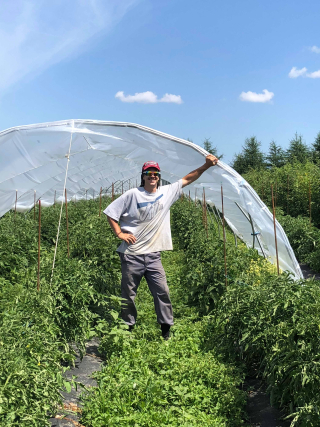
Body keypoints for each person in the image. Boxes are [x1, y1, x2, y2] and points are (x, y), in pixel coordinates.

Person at [104, 154, 218, 340]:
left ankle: (165, 329)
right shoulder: (132, 194)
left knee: (162, 291)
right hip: (131, 254)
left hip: (153, 255)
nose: (152, 176)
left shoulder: (166, 192)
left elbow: (188, 178)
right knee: (128, 294)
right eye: (148, 173)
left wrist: (206, 165)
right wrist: (119, 234)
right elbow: (111, 213)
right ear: (143, 176)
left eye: (155, 173)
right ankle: (127, 328)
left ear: (159, 176)